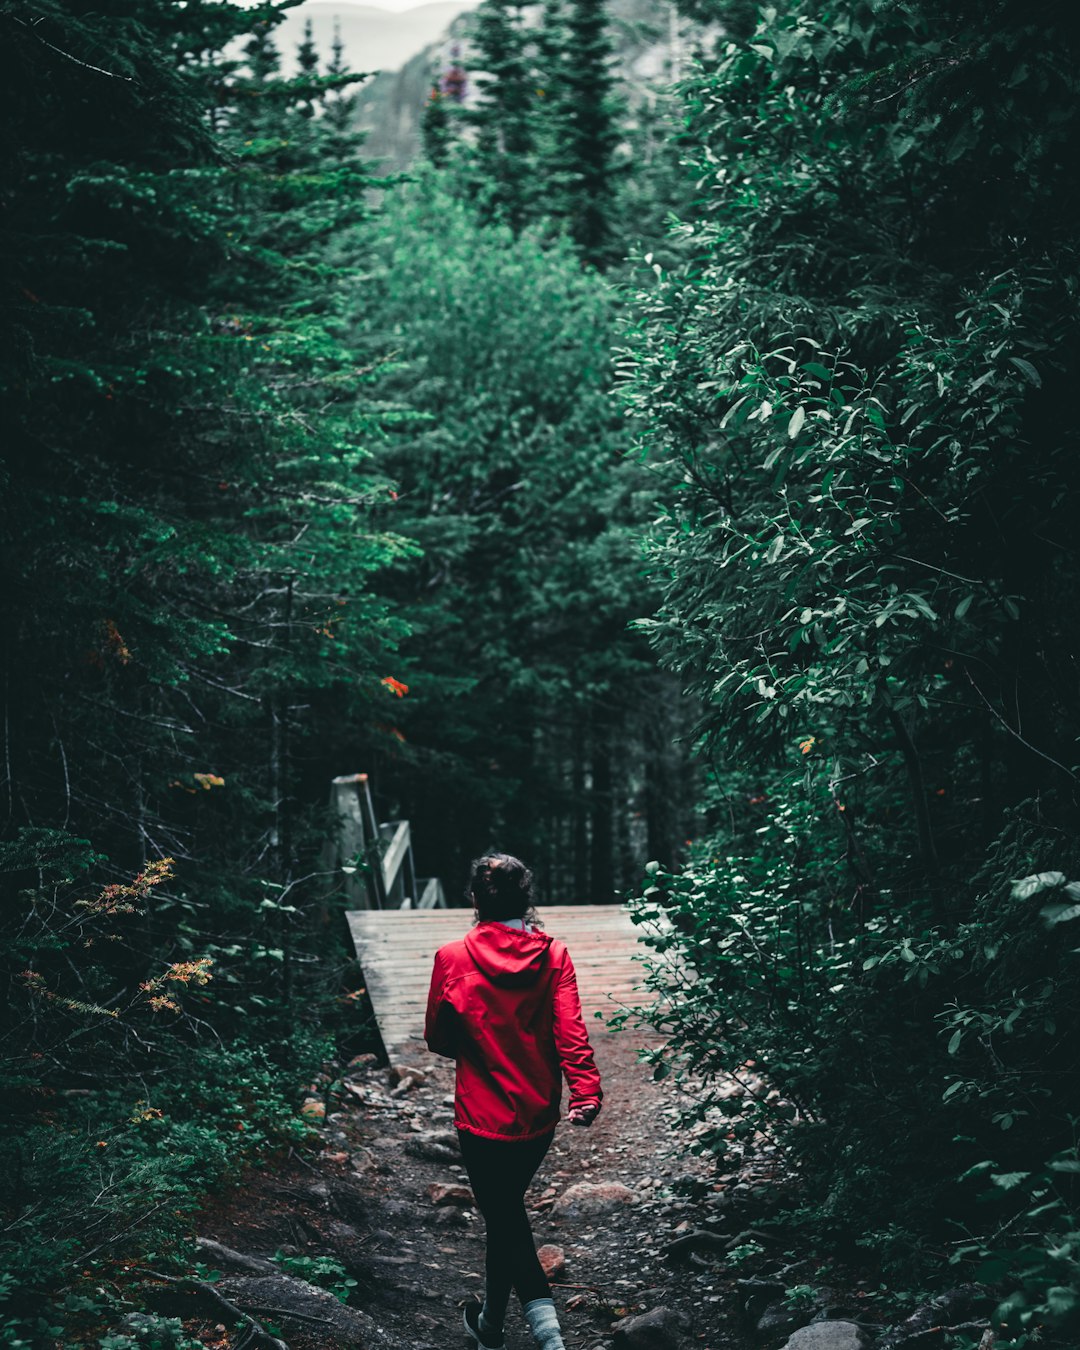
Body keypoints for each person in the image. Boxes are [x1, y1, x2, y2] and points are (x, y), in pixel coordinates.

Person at [424, 852, 603, 1350]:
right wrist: (585, 1093)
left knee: (503, 1216)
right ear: (527, 898)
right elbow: (571, 1033)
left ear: (475, 901)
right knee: (505, 1216)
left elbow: (438, 1038)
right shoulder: (554, 956)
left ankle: (549, 1335)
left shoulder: (451, 958)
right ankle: (490, 1328)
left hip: (480, 1117)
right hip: (537, 1115)